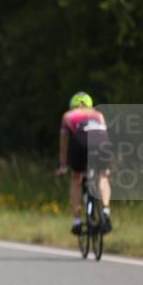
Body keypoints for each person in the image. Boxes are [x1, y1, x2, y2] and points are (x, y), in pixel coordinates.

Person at [57, 91, 112, 234]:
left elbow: (64, 145)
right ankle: (106, 211)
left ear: (72, 105)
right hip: (101, 143)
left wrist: (63, 166)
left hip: (81, 143)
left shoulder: (68, 116)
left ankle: (77, 221)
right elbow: (105, 135)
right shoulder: (98, 114)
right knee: (103, 177)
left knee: (76, 177)